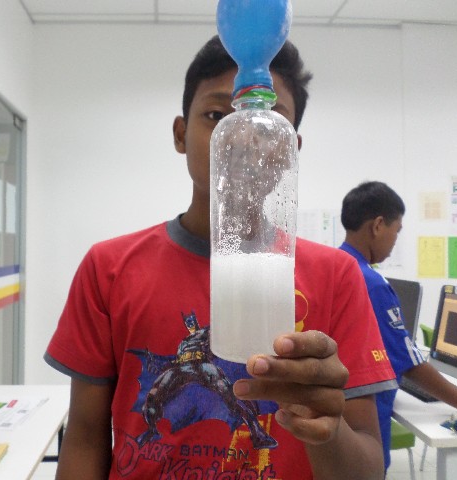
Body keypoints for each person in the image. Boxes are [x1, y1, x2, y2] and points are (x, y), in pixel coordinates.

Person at [44, 36, 397, 480]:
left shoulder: (337, 276)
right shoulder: (109, 268)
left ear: (291, 147)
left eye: (268, 120)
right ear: (180, 134)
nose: (242, 138)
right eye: (216, 115)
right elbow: (84, 437)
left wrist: (324, 425)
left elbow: (367, 469)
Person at [339, 180, 457, 473]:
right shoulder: (371, 283)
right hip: (364, 421)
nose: (395, 241)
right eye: (397, 231)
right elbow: (408, 363)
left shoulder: (336, 267)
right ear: (378, 226)